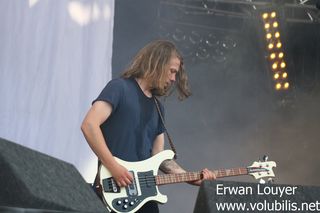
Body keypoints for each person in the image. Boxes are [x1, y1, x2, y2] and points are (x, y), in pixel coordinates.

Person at [81, 40, 216, 213]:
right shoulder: (119, 88)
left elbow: (159, 156)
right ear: (158, 63)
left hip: (143, 198)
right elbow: (89, 125)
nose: (173, 79)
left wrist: (191, 177)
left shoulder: (158, 108)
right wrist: (114, 167)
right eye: (172, 71)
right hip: (113, 191)